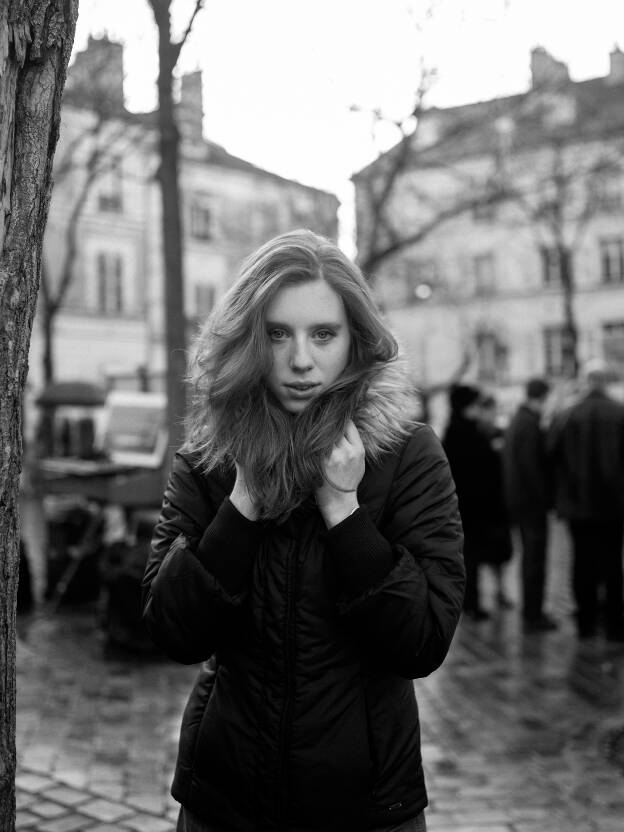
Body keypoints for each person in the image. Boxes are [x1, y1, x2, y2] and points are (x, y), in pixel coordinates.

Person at [141, 230, 465, 832]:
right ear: (247, 339)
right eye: (277, 333)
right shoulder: (212, 457)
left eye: (323, 334)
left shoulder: (407, 455)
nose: (300, 360)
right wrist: (241, 506)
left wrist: (345, 512)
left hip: (367, 806)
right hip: (226, 800)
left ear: (356, 340)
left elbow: (422, 641)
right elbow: (173, 631)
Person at [548, 359, 624, 641]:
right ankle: (616, 625)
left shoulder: (567, 414)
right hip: (614, 505)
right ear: (605, 381)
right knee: (613, 564)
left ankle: (586, 623)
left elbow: (550, 456)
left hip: (577, 506)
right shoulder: (619, 412)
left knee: (582, 563)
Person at [442, 384, 510, 620]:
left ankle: (470, 602)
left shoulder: (455, 431)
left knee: (470, 556)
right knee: (472, 557)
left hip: (465, 507)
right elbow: (482, 473)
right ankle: (472, 604)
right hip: (476, 508)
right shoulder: (468, 433)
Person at [502, 378, 558, 633]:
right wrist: (546, 498)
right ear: (543, 396)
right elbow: (533, 468)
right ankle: (533, 614)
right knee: (535, 558)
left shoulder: (518, 420)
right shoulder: (529, 423)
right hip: (531, 504)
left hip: (520, 501)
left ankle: (532, 611)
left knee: (530, 557)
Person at [478, 393, 515, 610]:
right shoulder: (477, 434)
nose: (492, 415)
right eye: (489, 410)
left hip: (499, 502)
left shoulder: (500, 432)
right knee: (483, 551)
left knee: (502, 552)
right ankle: (484, 593)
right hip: (485, 504)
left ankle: (500, 590)